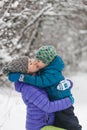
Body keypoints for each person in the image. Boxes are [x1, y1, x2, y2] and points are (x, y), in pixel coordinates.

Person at [8, 45, 82, 130]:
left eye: (37, 61)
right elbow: (48, 106)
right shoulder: (29, 88)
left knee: (71, 125)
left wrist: (68, 83)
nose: (35, 62)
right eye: (31, 63)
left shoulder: (44, 73)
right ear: (25, 71)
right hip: (41, 126)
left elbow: (51, 82)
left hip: (57, 113)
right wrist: (69, 100)